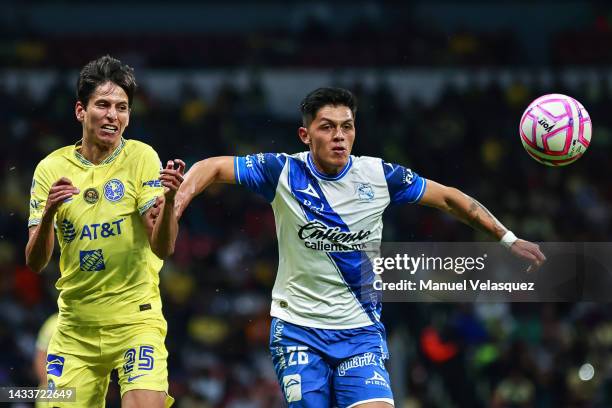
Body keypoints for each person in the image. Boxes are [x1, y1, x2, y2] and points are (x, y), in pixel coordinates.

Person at [173, 87, 546, 408]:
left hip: (360, 332)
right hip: (299, 329)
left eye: (346, 127)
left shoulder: (380, 176)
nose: (339, 136)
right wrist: (179, 199)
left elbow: (448, 198)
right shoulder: (282, 172)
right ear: (305, 134)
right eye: (328, 127)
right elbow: (214, 167)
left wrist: (507, 238)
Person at [25, 55, 184, 408]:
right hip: (75, 329)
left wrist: (170, 202)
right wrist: (49, 211)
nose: (113, 115)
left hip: (135, 322)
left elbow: (163, 247)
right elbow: (36, 262)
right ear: (81, 111)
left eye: (122, 107)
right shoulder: (50, 168)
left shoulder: (142, 157)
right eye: (103, 105)